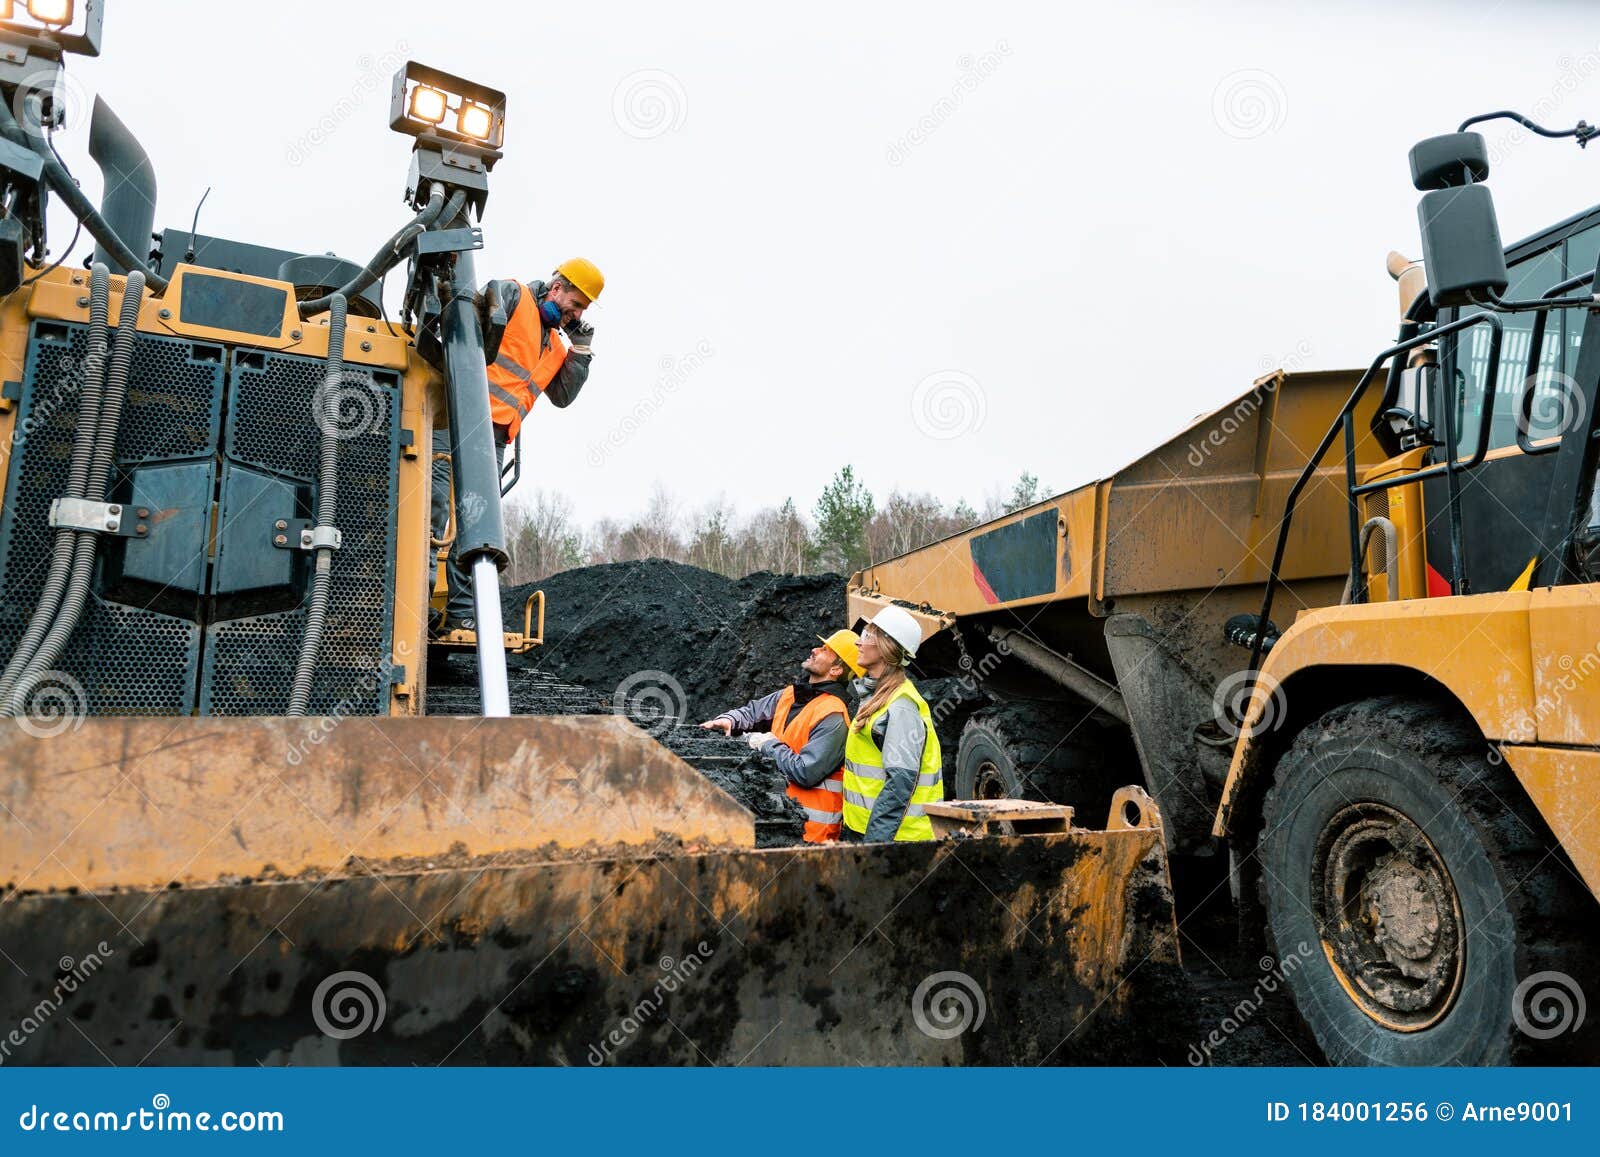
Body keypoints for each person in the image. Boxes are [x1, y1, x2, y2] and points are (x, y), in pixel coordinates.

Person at [431, 258, 605, 634]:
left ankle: (461, 610)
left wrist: (581, 353)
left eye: (581, 311)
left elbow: (561, 396)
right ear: (557, 288)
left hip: (493, 439)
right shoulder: (512, 295)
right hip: (454, 415)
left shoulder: (558, 348)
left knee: (478, 523)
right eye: (574, 304)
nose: (574, 315)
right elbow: (464, 331)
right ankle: (418, 599)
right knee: (434, 507)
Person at [699, 630, 865, 843]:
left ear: (836, 669)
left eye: (825, 650)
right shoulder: (791, 695)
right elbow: (752, 713)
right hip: (780, 822)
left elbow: (806, 771)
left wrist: (768, 744)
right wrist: (729, 720)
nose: (814, 650)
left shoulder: (833, 716)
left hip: (811, 834)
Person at [842, 606, 944, 842]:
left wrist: (875, 846)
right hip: (870, 830)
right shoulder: (876, 695)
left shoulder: (901, 706)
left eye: (867, 635)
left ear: (886, 647)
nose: (858, 642)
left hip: (897, 840)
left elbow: (900, 782)